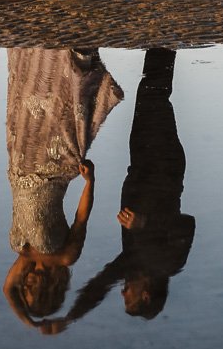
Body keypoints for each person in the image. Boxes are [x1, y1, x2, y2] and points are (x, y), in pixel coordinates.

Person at [44, 48, 195, 333]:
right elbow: (187, 224)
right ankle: (164, 38)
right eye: (129, 297)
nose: (123, 292)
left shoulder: (132, 261)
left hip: (140, 163)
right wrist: (146, 224)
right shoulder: (169, 263)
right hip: (164, 163)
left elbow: (99, 286)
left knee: (149, 93)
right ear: (146, 294)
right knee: (154, 95)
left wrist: (70, 317)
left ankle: (161, 39)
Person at [1, 48, 124, 331]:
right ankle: (71, 57)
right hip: (50, 169)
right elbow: (81, 218)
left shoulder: (25, 257)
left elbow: (8, 291)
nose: (25, 284)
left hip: (20, 165)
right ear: (48, 291)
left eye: (25, 289)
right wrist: (90, 182)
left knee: (26, 100)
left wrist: (30, 322)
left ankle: (37, 51)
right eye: (31, 290)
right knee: (56, 112)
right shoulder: (66, 257)